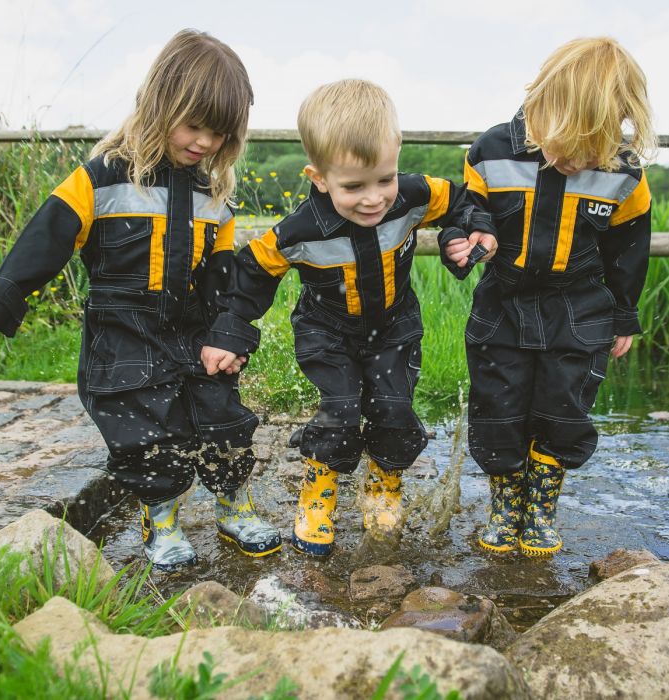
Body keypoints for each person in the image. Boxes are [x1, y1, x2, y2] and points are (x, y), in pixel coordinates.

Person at [0, 29, 282, 570]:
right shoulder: (102, 180)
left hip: (193, 331)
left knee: (225, 422)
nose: (205, 142)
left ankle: (234, 505)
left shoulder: (215, 201)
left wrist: (226, 335)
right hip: (125, 335)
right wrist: (0, 296)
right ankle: (160, 518)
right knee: (148, 435)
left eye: (218, 132)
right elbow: (46, 238)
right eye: (194, 125)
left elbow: (224, 279)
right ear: (160, 104)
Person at [202, 79, 496, 555]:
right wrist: (230, 332)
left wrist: (465, 233)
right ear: (319, 177)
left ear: (396, 155)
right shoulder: (298, 231)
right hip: (327, 332)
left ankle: (384, 484)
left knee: (394, 409)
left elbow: (463, 202)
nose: (374, 198)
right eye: (353, 186)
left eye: (385, 179)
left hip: (395, 327)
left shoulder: (416, 195)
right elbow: (251, 275)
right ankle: (318, 494)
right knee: (339, 412)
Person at [443, 37, 657, 556]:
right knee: (499, 404)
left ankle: (540, 508)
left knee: (565, 408)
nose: (584, 157)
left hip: (578, 306)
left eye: (598, 142)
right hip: (504, 303)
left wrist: (623, 317)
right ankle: (505, 504)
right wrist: (473, 232)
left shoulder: (623, 172)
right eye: (576, 142)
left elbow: (628, 251)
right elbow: (469, 206)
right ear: (544, 105)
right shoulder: (492, 149)